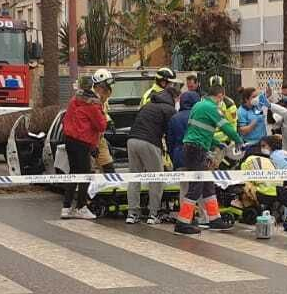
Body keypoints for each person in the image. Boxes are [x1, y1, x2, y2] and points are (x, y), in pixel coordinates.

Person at [175, 82, 242, 235]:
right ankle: (183, 222)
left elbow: (199, 130)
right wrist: (238, 140)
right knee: (197, 186)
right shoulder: (211, 108)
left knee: (207, 185)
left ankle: (214, 219)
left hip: (193, 147)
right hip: (196, 149)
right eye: (221, 99)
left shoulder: (198, 106)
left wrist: (215, 143)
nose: (221, 102)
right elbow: (226, 127)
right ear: (220, 96)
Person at [60, 69, 113, 219]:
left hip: (70, 140)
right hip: (83, 142)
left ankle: (66, 207)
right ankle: (81, 207)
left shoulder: (75, 99)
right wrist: (105, 117)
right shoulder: (93, 104)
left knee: (73, 173)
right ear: (100, 88)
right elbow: (101, 126)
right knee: (85, 175)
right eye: (107, 90)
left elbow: (66, 119)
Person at [125, 83, 176, 224]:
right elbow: (170, 133)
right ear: (173, 97)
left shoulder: (148, 105)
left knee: (134, 177)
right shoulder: (169, 109)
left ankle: (132, 213)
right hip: (149, 142)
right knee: (156, 178)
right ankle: (153, 214)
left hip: (132, 140)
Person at [236, 86, 269, 153]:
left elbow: (266, 95)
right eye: (254, 97)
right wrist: (255, 122)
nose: (256, 99)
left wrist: (269, 89)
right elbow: (243, 131)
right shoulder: (241, 111)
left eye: (257, 96)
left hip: (263, 142)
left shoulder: (256, 106)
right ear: (246, 99)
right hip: (251, 145)